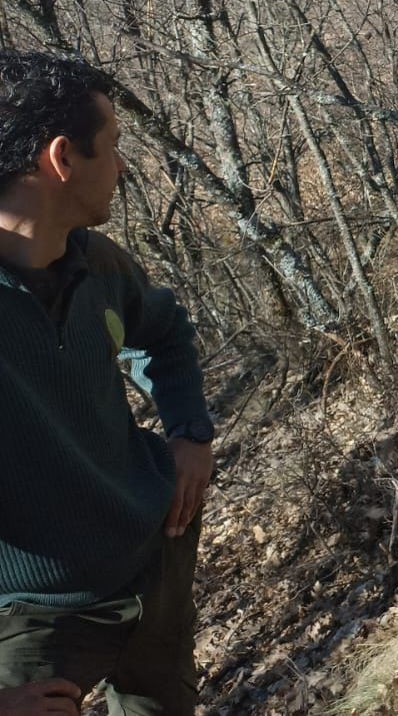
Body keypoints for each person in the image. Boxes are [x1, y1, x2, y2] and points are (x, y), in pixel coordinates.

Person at [0, 52, 213, 714]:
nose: (122, 168)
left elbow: (168, 335)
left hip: (157, 567)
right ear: (62, 160)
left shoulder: (98, 264)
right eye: (114, 147)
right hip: (41, 624)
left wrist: (190, 434)